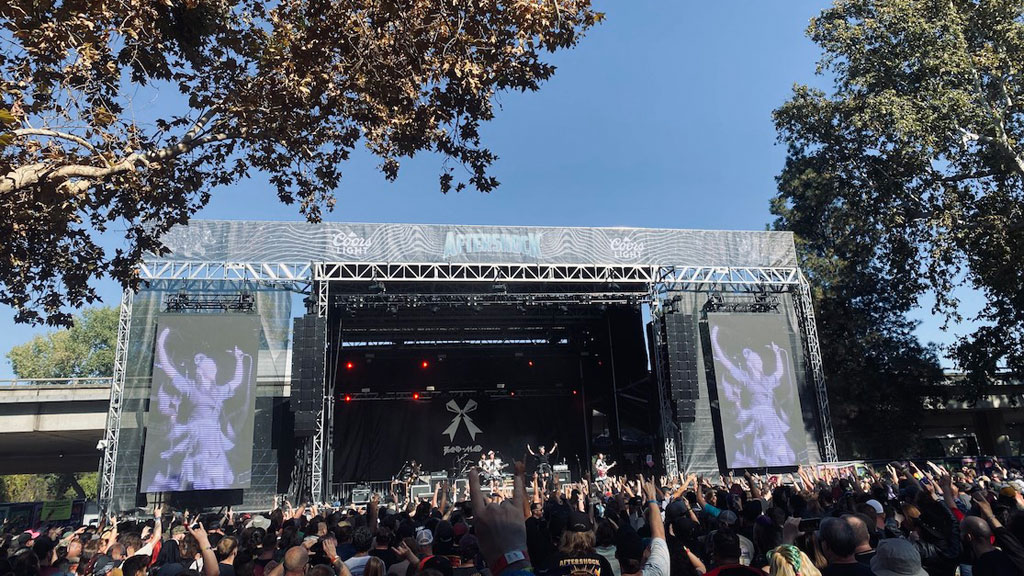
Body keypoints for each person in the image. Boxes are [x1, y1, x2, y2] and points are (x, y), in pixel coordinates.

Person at [150, 326, 253, 490]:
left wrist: (239, 360)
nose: (215, 369)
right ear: (201, 370)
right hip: (197, 436)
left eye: (215, 367)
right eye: (211, 367)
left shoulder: (218, 391)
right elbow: (168, 368)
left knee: (216, 475)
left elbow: (237, 381)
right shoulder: (190, 387)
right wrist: (161, 344)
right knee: (197, 472)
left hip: (214, 439)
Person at [709, 324, 795, 467]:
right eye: (757, 359)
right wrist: (714, 339)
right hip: (758, 418)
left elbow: (779, 372)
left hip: (771, 419)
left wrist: (777, 353)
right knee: (762, 448)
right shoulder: (745, 378)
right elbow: (724, 361)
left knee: (780, 449)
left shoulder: (767, 380)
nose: (760, 361)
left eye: (760, 359)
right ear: (750, 363)